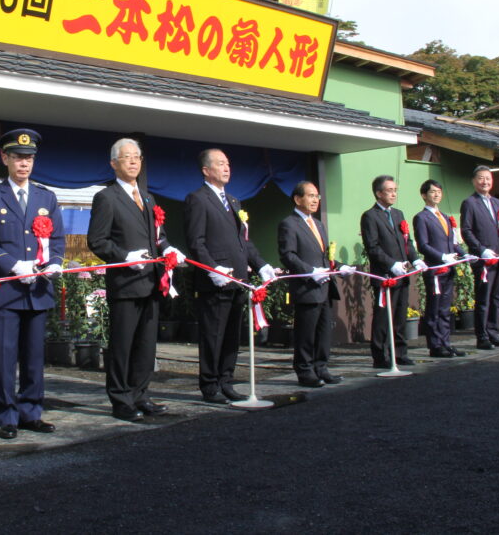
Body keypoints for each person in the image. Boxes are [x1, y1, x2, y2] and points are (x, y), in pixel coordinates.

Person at [0, 129, 65, 439]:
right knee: (4, 355)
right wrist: (14, 265)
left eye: (29, 159)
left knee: (34, 357)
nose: (23, 164)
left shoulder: (46, 197)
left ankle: (31, 412)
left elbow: (57, 239)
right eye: (17, 158)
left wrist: (54, 263)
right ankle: (6, 415)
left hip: (37, 290)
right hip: (7, 289)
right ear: (5, 159)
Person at [86, 138, 183, 422]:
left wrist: (167, 248)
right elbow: (97, 240)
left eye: (137, 157)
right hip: (126, 284)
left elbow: (158, 235)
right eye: (126, 157)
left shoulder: (148, 197)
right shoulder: (106, 197)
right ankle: (121, 399)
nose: (133, 161)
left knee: (146, 345)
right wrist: (123, 256)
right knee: (123, 345)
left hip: (152, 283)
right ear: (113, 163)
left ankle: (141, 394)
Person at [184, 149, 275, 403]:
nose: (227, 168)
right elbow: (196, 242)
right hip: (216, 282)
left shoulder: (234, 201)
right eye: (220, 164)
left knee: (232, 336)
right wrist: (212, 269)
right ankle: (210, 385)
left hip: (238, 281)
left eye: (228, 164)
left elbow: (242, 242)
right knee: (213, 334)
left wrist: (261, 265)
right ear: (206, 170)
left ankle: (227, 380)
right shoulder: (197, 199)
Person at [277, 181, 353, 387]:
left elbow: (324, 256)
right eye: (310, 196)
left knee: (323, 332)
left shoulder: (318, 224)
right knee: (306, 333)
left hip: (325, 286)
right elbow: (288, 255)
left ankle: (321, 368)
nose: (315, 200)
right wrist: (310, 272)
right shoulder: (289, 224)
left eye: (317, 196)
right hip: (307, 287)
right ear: (297, 199)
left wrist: (340, 266)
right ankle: (305, 371)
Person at [361, 175, 425, 368]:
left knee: (400, 316)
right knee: (383, 317)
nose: (393, 194)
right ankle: (380, 356)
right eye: (389, 190)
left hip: (403, 273)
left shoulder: (398, 214)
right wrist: (391, 264)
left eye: (395, 190)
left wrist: (414, 259)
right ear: (379, 193)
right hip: (385, 275)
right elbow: (372, 247)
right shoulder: (370, 216)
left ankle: (400, 352)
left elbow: (407, 241)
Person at [459, 165, 499, 349]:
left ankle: (494, 332)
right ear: (473, 181)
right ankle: (482, 336)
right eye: (481, 178)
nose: (485, 182)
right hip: (485, 259)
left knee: (498, 297)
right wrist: (481, 249)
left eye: (488, 178)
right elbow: (466, 231)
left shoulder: (497, 203)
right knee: (484, 298)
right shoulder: (469, 203)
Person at [412, 179, 465, 358]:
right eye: (433, 191)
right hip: (435, 268)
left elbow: (453, 242)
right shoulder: (421, 217)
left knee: (445, 308)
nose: (436, 195)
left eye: (439, 192)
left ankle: (446, 342)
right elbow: (423, 245)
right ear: (424, 195)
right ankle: (435, 345)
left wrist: (464, 254)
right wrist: (441, 257)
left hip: (449, 268)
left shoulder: (444, 216)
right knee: (434, 308)